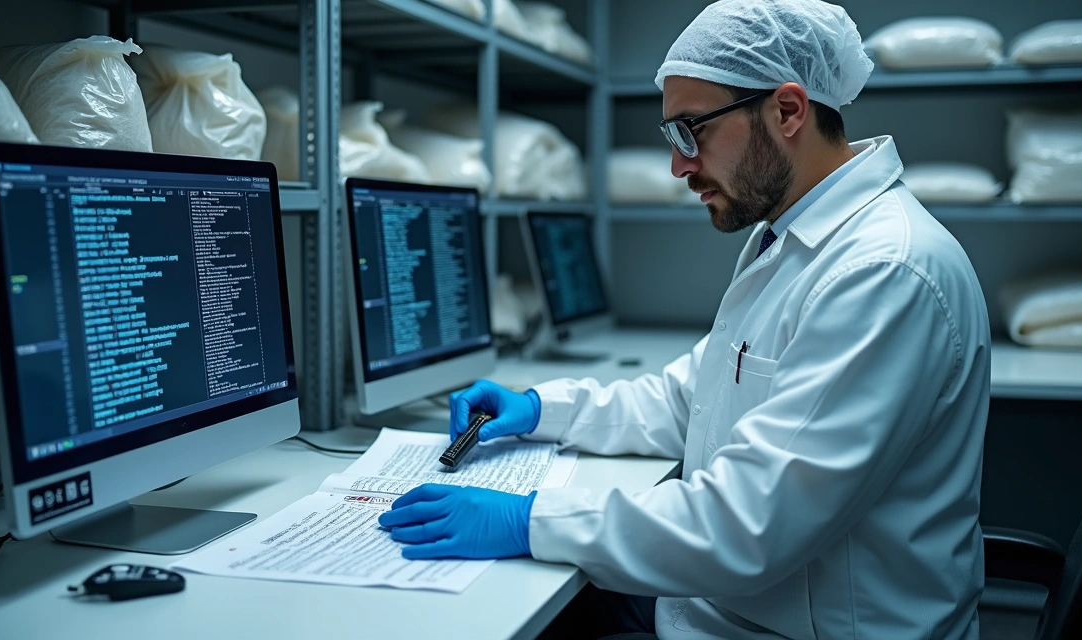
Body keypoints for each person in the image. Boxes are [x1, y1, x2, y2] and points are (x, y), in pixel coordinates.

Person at [377, 0, 992, 637]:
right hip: (731, 610)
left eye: (691, 131)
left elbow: (748, 525)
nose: (679, 166)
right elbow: (690, 399)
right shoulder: (791, 240)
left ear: (787, 110)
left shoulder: (883, 271)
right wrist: (539, 408)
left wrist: (527, 520)